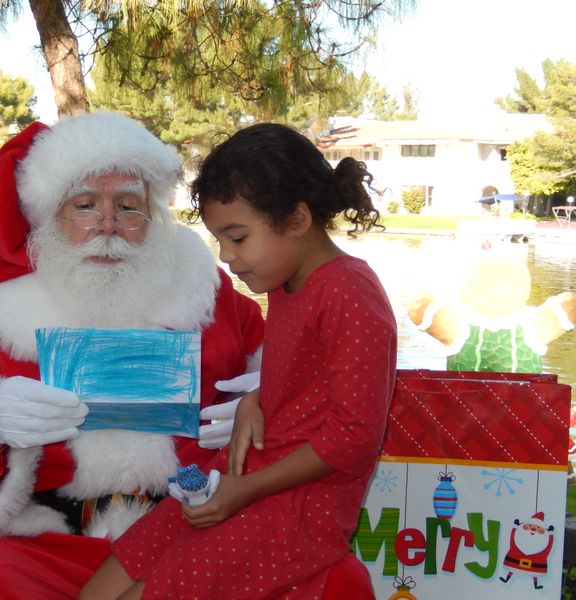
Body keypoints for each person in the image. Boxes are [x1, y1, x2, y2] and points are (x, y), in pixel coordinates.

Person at [0, 111, 265, 598]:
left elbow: (289, 373)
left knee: (331, 579)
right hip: (39, 542)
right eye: (84, 205)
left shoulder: (208, 293)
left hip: (190, 531)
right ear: (48, 215)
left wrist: (267, 403)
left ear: (154, 215)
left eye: (129, 206)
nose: (108, 224)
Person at [82, 122, 398, 600]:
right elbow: (313, 381)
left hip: (297, 510)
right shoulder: (288, 283)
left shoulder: (351, 292)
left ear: (296, 219)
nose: (227, 257)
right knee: (101, 589)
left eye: (238, 238)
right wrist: (257, 396)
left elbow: (354, 440)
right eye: (219, 241)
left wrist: (245, 492)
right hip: (246, 478)